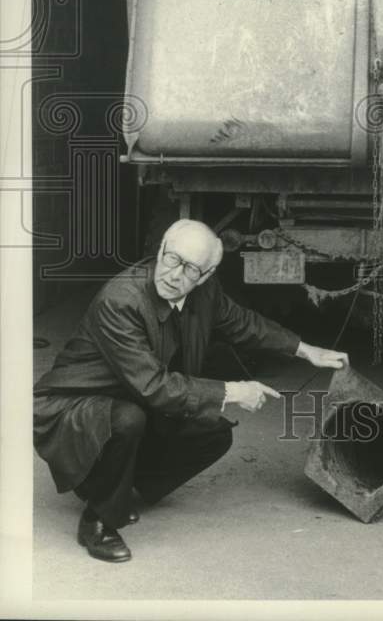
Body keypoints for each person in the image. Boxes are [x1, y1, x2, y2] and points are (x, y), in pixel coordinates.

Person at [33, 219, 348, 563]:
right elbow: (153, 386)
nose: (175, 275)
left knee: (213, 433)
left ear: (208, 275)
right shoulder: (121, 301)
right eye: (171, 259)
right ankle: (98, 517)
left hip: (134, 393)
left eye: (191, 269)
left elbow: (243, 324)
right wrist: (233, 390)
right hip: (74, 404)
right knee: (128, 419)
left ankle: (116, 489)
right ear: (161, 249)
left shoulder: (205, 292)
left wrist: (306, 350)